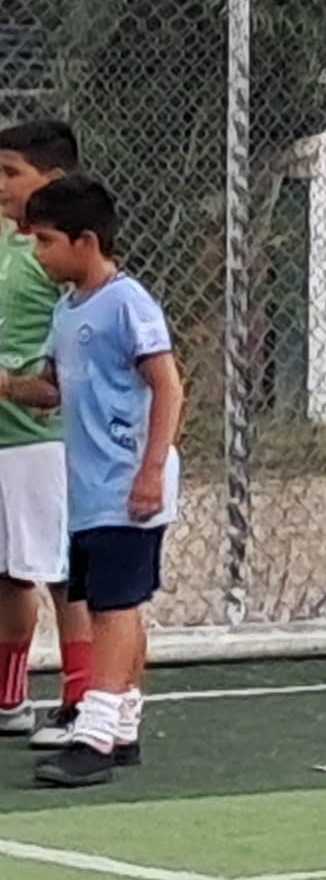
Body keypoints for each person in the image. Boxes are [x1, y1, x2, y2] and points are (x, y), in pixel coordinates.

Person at [28, 174, 177, 789]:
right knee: (111, 604)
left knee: (114, 608)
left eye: (45, 241)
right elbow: (51, 389)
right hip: (88, 493)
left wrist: (150, 472)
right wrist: (11, 386)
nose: (38, 254)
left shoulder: (127, 302)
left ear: (86, 241)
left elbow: (167, 386)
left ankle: (94, 733)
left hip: (125, 487)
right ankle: (123, 726)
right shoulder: (66, 311)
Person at [0, 121, 78, 747]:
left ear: (51, 180)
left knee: (62, 572)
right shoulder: (7, 241)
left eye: (10, 173)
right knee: (9, 572)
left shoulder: (64, 257)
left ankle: (83, 700)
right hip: (3, 438)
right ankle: (10, 699)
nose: (0, 186)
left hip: (40, 440)